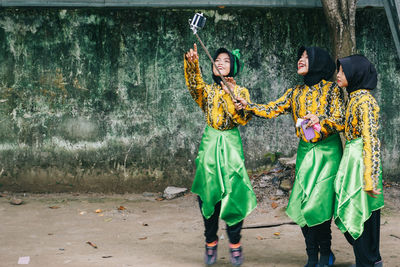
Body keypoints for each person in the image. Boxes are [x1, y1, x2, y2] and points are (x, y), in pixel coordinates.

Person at [235, 46, 345, 267]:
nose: (301, 60)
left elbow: (340, 118)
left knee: (319, 205)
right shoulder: (295, 92)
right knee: (302, 204)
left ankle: (325, 255)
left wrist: (320, 119)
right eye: (300, 57)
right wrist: (249, 106)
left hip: (327, 153)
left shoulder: (332, 90)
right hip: (305, 152)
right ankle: (311, 255)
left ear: (318, 62)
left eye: (307, 57)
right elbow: (272, 108)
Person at [184, 43, 257, 266]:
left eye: (226, 61)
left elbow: (243, 118)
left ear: (233, 67)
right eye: (217, 60)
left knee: (234, 192)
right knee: (208, 193)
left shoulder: (241, 91)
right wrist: (192, 64)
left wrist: (230, 94)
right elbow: (194, 87)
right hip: (210, 144)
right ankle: (210, 241)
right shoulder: (207, 91)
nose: (220, 63)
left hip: (231, 145)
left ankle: (235, 243)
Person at [335, 55, 384, 267]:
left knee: (361, 211)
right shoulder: (354, 97)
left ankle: (368, 260)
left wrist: (370, 178)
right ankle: (370, 259)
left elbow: (370, 140)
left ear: (356, 73)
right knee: (358, 211)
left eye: (343, 71)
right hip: (352, 160)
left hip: (361, 162)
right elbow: (345, 124)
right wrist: (319, 120)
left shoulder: (365, 102)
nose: (338, 75)